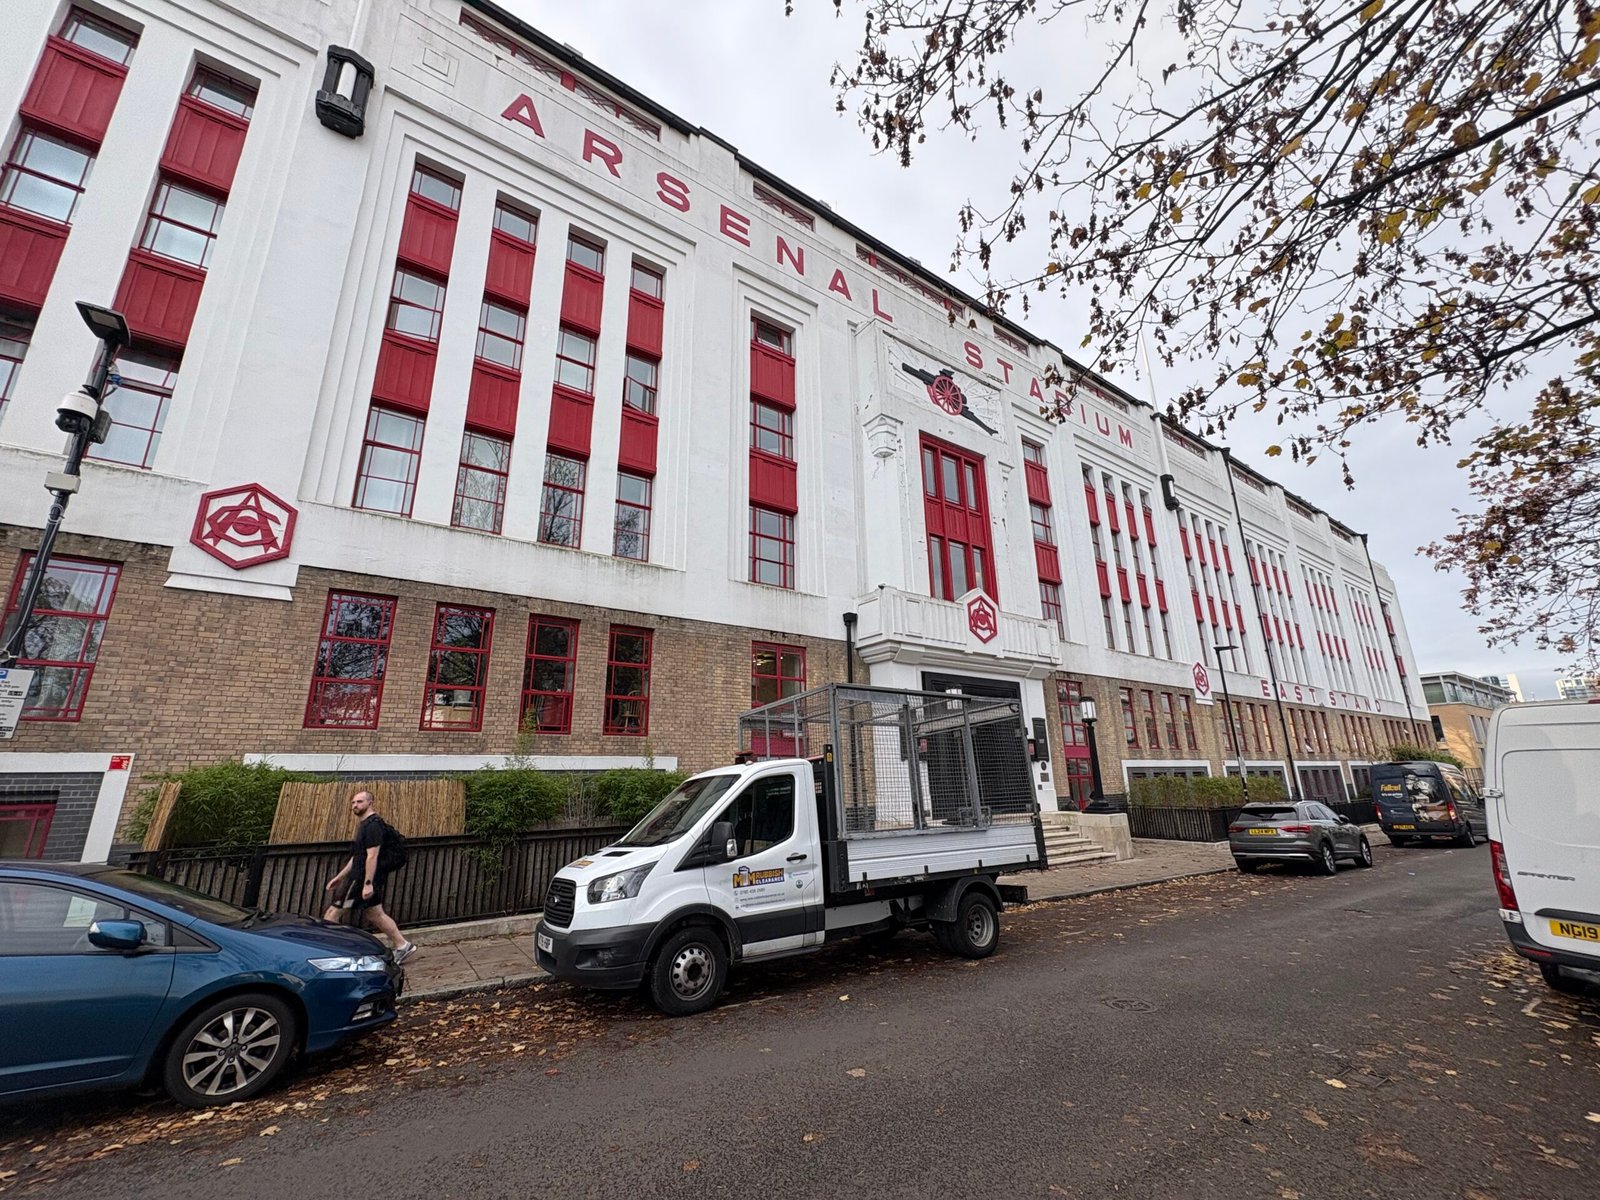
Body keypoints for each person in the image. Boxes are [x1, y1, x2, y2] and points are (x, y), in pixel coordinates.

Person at [323, 790, 416, 964]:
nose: (355, 805)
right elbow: (357, 856)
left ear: (370, 802)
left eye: (359, 802)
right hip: (359, 877)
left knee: (332, 914)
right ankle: (402, 945)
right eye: (353, 802)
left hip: (361, 879)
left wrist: (367, 883)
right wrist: (340, 877)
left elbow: (372, 856)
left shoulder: (373, 825)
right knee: (375, 913)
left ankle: (331, 954)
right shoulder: (365, 825)